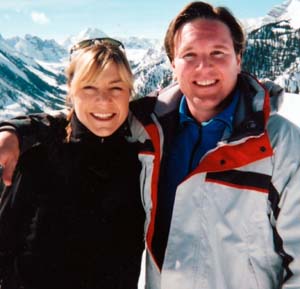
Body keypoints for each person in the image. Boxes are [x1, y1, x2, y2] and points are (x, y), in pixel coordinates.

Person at [0, 2, 300, 289]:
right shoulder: (149, 130)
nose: (203, 67)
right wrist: (16, 130)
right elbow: (85, 120)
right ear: (173, 63)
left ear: (239, 57)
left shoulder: (279, 146)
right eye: (190, 54)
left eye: (218, 52)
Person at [0, 38, 145, 289]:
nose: (103, 100)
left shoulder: (141, 162)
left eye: (116, 88)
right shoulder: (37, 159)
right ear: (71, 91)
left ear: (130, 93)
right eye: (89, 87)